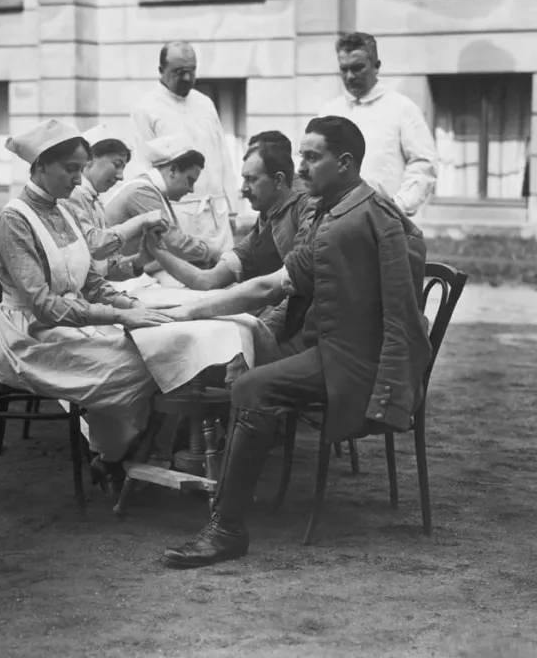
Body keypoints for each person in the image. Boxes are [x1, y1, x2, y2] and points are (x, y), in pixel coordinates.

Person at [159, 116, 432, 568]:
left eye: (311, 156)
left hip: (357, 363)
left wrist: (190, 310)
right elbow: (274, 284)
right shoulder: (338, 211)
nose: (300, 168)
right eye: (300, 156)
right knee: (244, 371)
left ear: (344, 163)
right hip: (333, 349)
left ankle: (226, 530)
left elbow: (401, 310)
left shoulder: (364, 215)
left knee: (251, 386)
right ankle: (223, 513)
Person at [0, 118, 172, 475]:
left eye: (80, 169)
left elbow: (90, 284)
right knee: (137, 363)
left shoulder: (65, 211)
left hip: (64, 323)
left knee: (153, 348)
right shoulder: (14, 221)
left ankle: (119, 452)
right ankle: (116, 454)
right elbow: (43, 303)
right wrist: (118, 317)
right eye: (69, 169)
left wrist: (132, 306)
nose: (76, 178)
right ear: (39, 167)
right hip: (28, 336)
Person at [145, 131, 313, 290]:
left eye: (252, 179)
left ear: (278, 179)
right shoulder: (263, 223)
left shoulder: (306, 210)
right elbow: (206, 280)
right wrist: (156, 251)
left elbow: (284, 287)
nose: (243, 189)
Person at [126, 40, 236, 254]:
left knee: (226, 278)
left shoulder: (205, 104)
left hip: (217, 215)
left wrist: (232, 209)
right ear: (161, 70)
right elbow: (142, 171)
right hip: (177, 218)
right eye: (178, 71)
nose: (186, 77)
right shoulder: (146, 109)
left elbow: (223, 156)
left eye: (191, 70)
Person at [319, 32, 437, 217]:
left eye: (358, 68)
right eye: (344, 69)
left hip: (383, 225)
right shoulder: (328, 112)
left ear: (376, 66)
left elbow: (423, 165)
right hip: (333, 226)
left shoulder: (402, 108)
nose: (350, 76)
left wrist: (398, 206)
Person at [69, 124, 167, 280]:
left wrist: (140, 259)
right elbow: (94, 245)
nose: (120, 176)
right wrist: (141, 221)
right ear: (88, 160)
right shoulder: (72, 196)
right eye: (117, 165)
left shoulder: (94, 201)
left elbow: (103, 267)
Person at [105, 133, 217, 267]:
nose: (191, 189)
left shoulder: (151, 189)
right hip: (116, 273)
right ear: (173, 170)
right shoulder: (141, 192)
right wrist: (212, 252)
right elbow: (174, 242)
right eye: (190, 181)